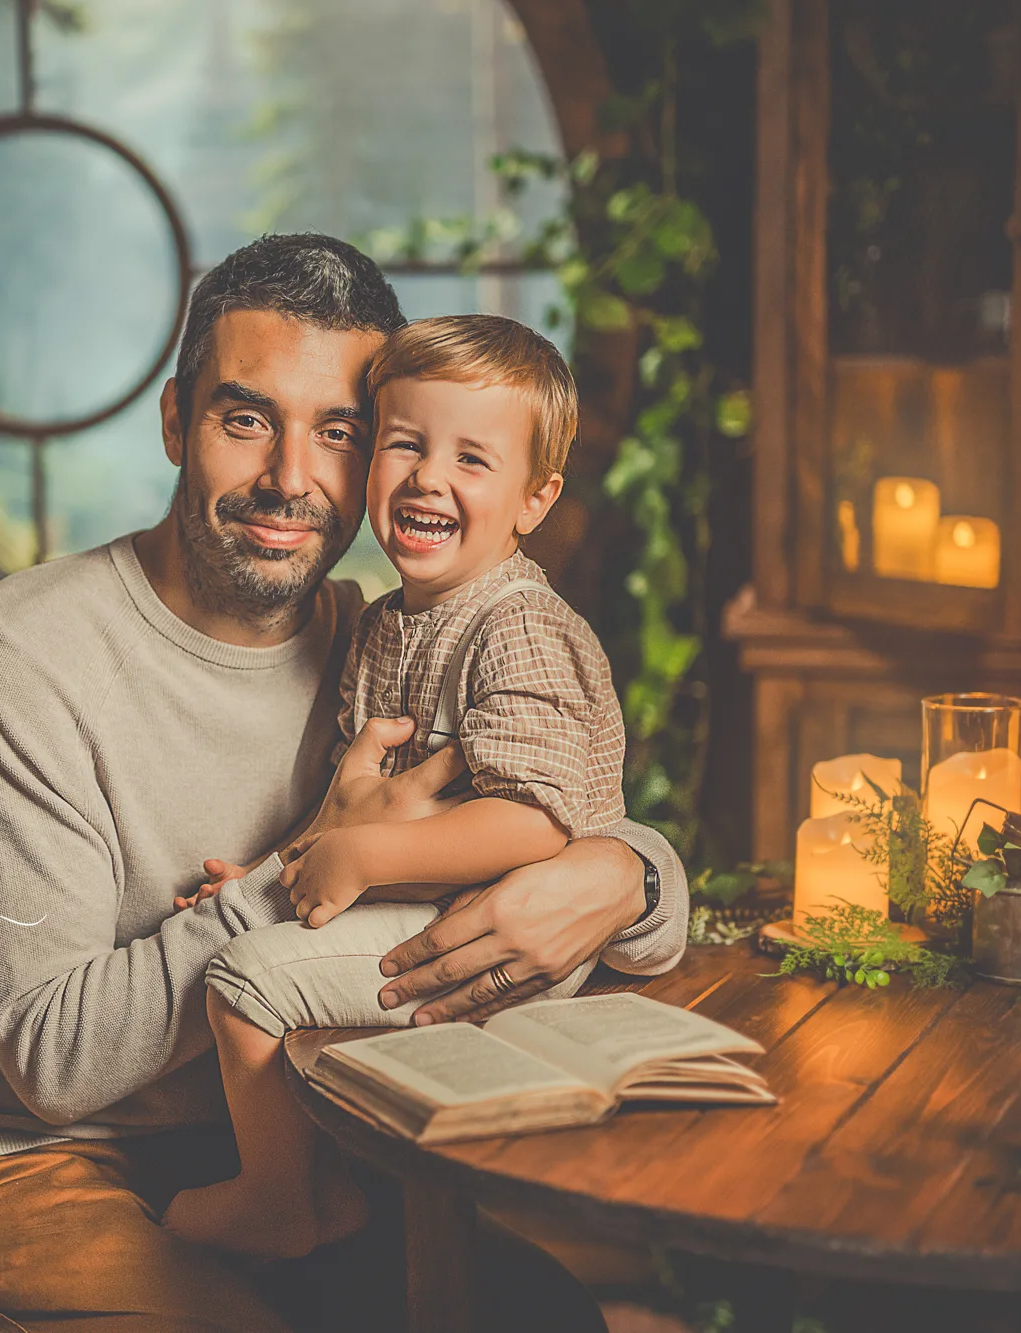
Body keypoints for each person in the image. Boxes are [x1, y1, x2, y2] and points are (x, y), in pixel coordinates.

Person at [0, 234, 688, 1332]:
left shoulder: (378, 642)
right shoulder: (23, 656)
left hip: (283, 1149)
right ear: (172, 423)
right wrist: (300, 865)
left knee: (545, 1320)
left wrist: (624, 874)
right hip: (1, 1165)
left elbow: (568, 810)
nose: (291, 478)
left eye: (338, 433)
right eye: (245, 420)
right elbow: (55, 1061)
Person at [161, 314, 624, 1261]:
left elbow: (536, 823)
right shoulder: (382, 624)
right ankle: (343, 1201)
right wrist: (270, 870)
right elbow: (356, 798)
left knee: (246, 984)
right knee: (277, 971)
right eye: (404, 444)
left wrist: (363, 856)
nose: (427, 477)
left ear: (536, 499)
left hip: (505, 934)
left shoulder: (518, 626)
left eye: (472, 459)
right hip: (430, 902)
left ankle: (284, 1199)